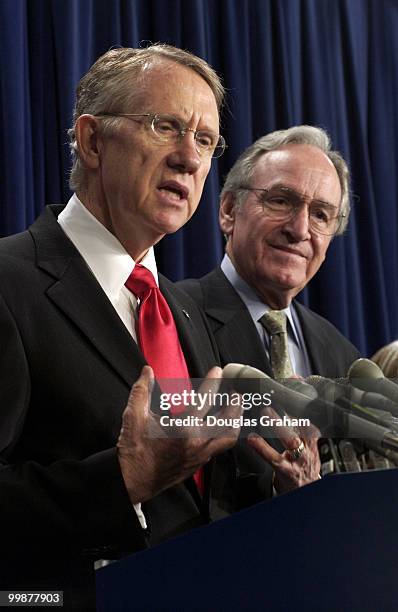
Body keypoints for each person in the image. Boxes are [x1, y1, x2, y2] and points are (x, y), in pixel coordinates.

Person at [0, 44, 243, 610]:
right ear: (91, 141)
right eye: (166, 127)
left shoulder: (182, 312)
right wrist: (123, 479)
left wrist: (285, 490)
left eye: (205, 141)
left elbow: (196, 500)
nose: (189, 158)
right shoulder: (9, 284)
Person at [179, 126, 360, 481]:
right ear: (230, 210)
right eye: (280, 201)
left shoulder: (343, 355)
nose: (300, 229)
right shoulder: (173, 314)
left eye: (321, 214)